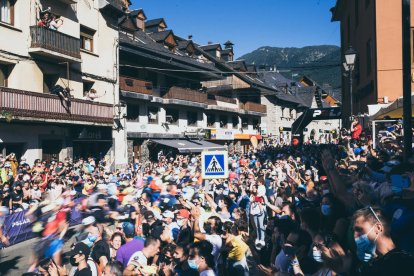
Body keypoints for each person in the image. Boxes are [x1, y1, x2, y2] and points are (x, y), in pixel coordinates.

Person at [353, 207, 413, 275]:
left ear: (378, 228)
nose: (355, 236)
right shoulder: (370, 268)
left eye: (359, 230)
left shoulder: (403, 263)